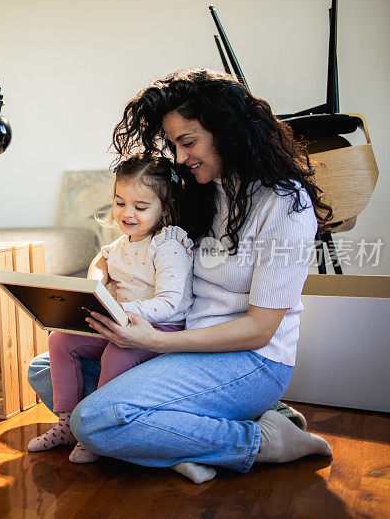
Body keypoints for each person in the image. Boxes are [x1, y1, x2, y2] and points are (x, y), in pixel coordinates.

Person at [27, 69, 334, 484]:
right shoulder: (205, 190)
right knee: (46, 368)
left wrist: (157, 340)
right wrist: (99, 283)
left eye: (187, 142)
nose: (181, 156)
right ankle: (175, 445)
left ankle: (266, 440)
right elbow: (134, 250)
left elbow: (260, 330)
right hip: (184, 344)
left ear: (227, 131)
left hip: (250, 360)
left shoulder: (285, 203)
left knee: (93, 421)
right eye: (174, 145)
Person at [27, 155, 194, 464]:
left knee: (116, 353)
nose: (127, 214)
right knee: (60, 341)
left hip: (160, 329)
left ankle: (96, 428)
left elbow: (169, 304)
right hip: (119, 322)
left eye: (140, 208)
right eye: (120, 203)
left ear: (165, 208)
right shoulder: (116, 248)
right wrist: (91, 294)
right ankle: (67, 425)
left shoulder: (168, 245)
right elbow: (98, 273)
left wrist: (119, 308)